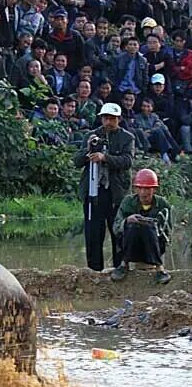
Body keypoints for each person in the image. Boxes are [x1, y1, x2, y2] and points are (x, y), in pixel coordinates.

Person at [73, 102, 135, 273]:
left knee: (118, 232)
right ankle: (94, 271)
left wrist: (104, 157)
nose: (108, 122)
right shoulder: (91, 136)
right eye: (106, 118)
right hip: (94, 192)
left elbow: (127, 161)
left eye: (112, 118)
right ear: (101, 118)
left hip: (116, 193)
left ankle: (120, 268)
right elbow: (76, 161)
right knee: (93, 233)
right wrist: (88, 152)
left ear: (119, 119)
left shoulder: (127, 137)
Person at [111, 168, 172, 284]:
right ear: (136, 189)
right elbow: (116, 227)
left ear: (154, 189)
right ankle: (124, 264)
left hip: (154, 247)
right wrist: (127, 221)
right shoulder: (128, 202)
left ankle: (160, 268)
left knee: (148, 227)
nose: (144, 192)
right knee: (132, 226)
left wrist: (153, 226)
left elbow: (168, 234)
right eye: (140, 188)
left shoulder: (163, 205)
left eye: (148, 189)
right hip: (131, 245)